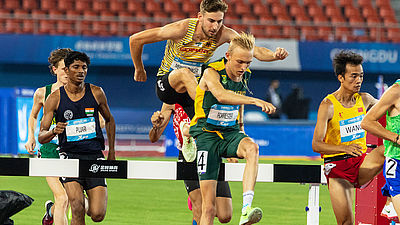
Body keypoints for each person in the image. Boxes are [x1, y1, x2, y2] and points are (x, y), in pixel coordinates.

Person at [129, 0, 288, 120]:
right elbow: (135, 39)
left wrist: (274, 55)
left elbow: (255, 51)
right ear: (200, 17)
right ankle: (214, 105)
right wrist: (139, 69)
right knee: (184, 73)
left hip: (192, 92)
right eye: (211, 21)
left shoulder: (224, 33)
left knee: (206, 130)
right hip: (167, 86)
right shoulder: (182, 29)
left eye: (219, 21)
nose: (215, 26)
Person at [189, 32, 276, 225]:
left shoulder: (244, 75)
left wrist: (241, 127)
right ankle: (187, 132)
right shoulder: (211, 72)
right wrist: (255, 100)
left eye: (248, 63)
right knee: (209, 207)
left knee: (252, 148)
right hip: (206, 136)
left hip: (230, 132)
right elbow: (221, 95)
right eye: (239, 62)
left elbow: (238, 99)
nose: (243, 67)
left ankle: (246, 208)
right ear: (228, 56)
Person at [38, 51, 115, 225]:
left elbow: (110, 120)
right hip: (69, 157)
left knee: (97, 214)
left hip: (94, 155)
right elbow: (42, 136)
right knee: (77, 207)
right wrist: (53, 131)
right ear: (66, 70)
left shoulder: (96, 92)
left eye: (84, 67)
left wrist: (111, 152)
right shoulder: (54, 98)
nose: (81, 71)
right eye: (76, 67)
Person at [312, 50, 385, 225]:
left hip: (361, 162)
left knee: (388, 150)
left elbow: (390, 107)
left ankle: (390, 197)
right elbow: (316, 145)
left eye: (361, 75)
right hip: (338, 169)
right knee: (346, 222)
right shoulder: (328, 105)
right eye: (353, 76)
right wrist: (344, 148)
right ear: (341, 78)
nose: (358, 80)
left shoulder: (365, 99)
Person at [149, 103, 234, 224]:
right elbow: (154, 137)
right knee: (200, 210)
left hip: (211, 153)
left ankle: (197, 200)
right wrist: (155, 127)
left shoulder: (207, 94)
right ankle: (195, 200)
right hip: (188, 156)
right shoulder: (171, 100)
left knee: (225, 215)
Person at [25, 48, 71, 225]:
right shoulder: (42, 93)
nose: (67, 72)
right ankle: (54, 209)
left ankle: (50, 211)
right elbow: (34, 115)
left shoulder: (81, 91)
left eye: (70, 68)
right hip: (49, 150)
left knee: (73, 202)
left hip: (72, 150)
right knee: (63, 198)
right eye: (63, 69)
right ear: (54, 70)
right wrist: (31, 137)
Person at [360, 78, 400, 219]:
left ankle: (389, 203)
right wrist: (396, 138)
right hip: (397, 164)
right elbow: (367, 122)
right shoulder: (396, 91)